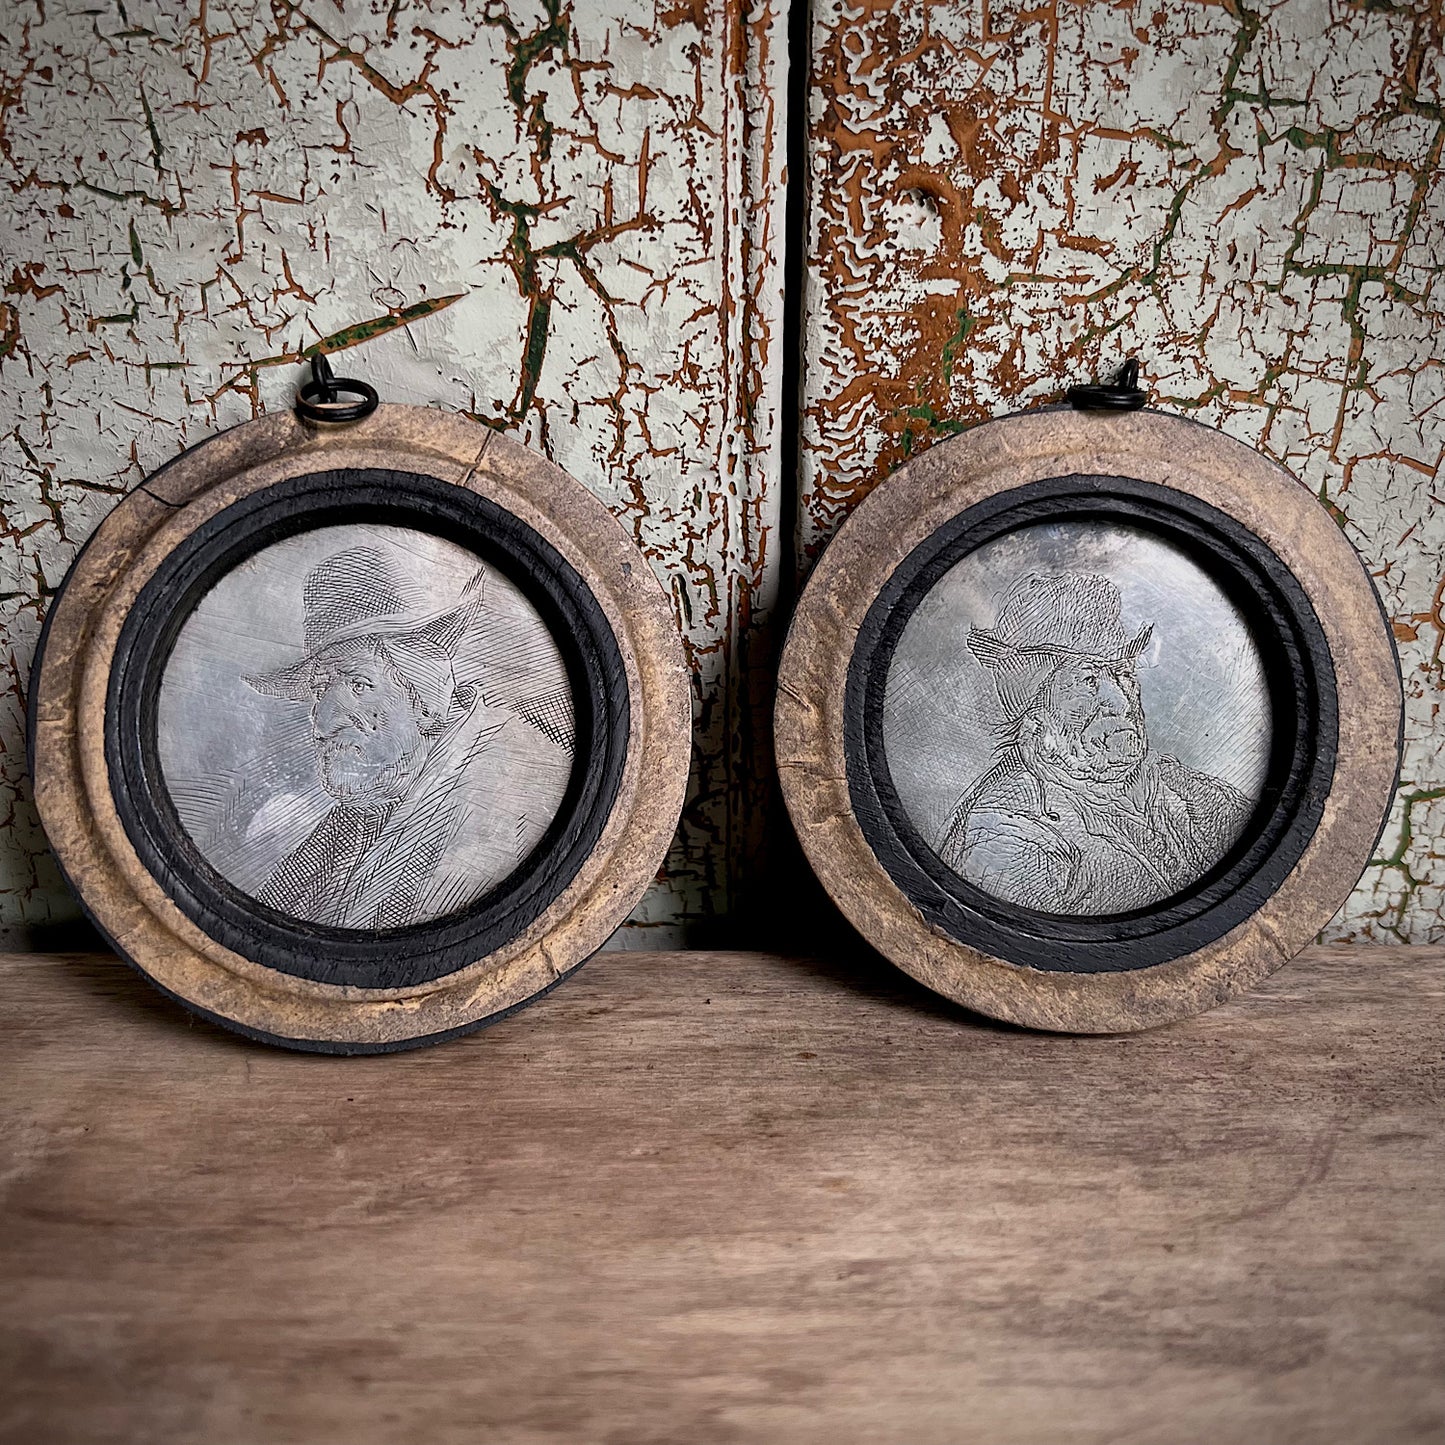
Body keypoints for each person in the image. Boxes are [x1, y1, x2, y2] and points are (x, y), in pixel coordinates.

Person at [241, 545, 571, 929]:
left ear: (427, 695)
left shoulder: (507, 792)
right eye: (319, 689)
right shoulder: (374, 795)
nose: (322, 719)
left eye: (358, 684)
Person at [937, 571, 1251, 914]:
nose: (1119, 701)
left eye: (1122, 674)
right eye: (1086, 681)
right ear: (1036, 709)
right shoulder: (1006, 831)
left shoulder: (1176, 784)